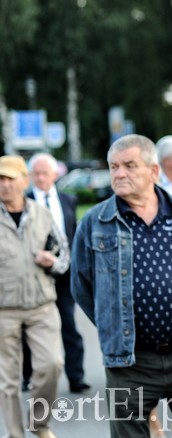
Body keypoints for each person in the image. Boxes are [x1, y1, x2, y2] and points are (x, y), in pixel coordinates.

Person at [71, 135, 172, 438]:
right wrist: (115, 323)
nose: (119, 174)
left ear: (154, 171)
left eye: (129, 166)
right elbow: (82, 287)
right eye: (114, 166)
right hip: (131, 361)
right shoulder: (95, 222)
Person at [0, 155, 69, 438]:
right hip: (4, 310)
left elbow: (64, 258)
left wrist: (51, 261)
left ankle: (39, 424)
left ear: (24, 182)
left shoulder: (43, 214)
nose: (4, 185)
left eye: (10, 179)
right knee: (8, 380)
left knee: (52, 364)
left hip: (42, 305)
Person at [23, 153, 89, 393]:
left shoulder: (68, 200)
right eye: (36, 174)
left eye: (45, 173)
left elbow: (73, 235)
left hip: (65, 275)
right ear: (30, 177)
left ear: (54, 175)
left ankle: (76, 377)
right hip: (34, 274)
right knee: (30, 327)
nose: (41, 178)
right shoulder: (24, 201)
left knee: (68, 325)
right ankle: (27, 376)